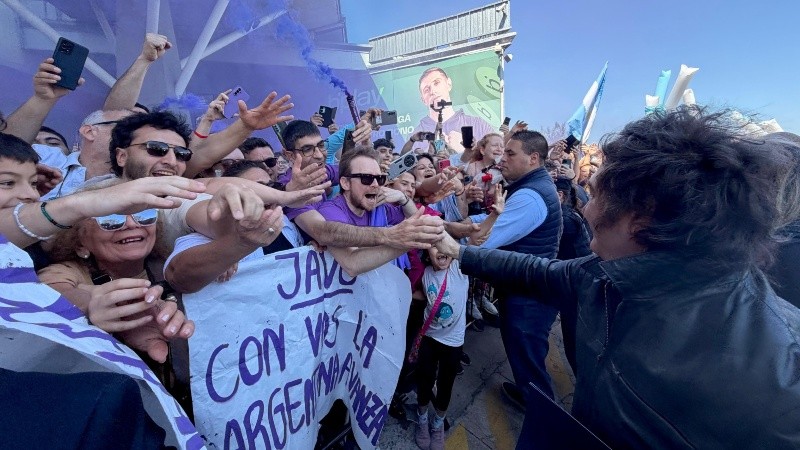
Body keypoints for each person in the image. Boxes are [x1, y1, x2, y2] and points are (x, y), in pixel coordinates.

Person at [433, 108, 800, 448]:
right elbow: (537, 271)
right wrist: (461, 253)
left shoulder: (782, 378)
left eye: (596, 195)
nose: (586, 209)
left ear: (640, 218)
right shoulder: (606, 274)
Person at [411, 67, 495, 153]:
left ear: (449, 84)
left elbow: (496, 160)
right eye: (426, 90)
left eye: (436, 83)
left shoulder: (478, 125)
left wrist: (465, 151)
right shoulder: (415, 136)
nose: (433, 91)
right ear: (423, 100)